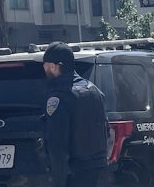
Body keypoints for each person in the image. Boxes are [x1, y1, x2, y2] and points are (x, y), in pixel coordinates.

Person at [41, 42, 108, 187]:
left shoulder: (59, 97)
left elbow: (57, 145)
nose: (44, 69)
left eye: (45, 66)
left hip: (73, 174)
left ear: (54, 66)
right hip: (98, 172)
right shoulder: (94, 90)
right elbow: (106, 131)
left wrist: (58, 181)